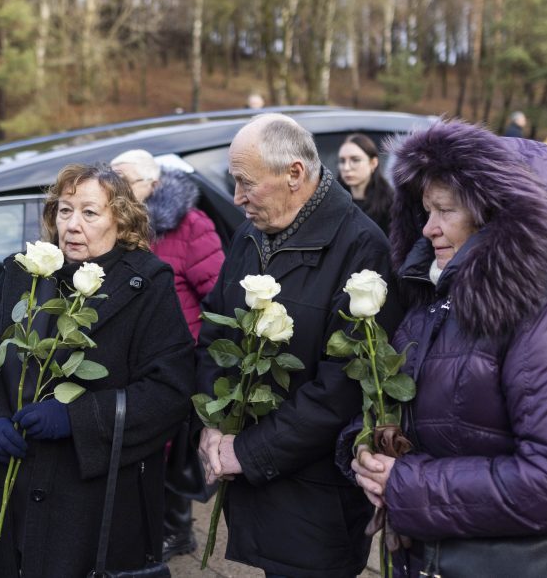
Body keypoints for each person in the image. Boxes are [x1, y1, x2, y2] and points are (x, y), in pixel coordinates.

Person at [340, 120, 547, 577]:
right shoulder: (430, 296)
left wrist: (407, 484)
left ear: (495, 214)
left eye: (445, 210)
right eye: (425, 210)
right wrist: (363, 450)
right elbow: (405, 402)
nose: (428, 228)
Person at [0, 165, 195, 577]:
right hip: (5, 487)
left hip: (88, 504)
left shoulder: (147, 285)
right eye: (64, 210)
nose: (72, 225)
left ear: (121, 219)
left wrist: (77, 420)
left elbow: (170, 391)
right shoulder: (24, 274)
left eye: (89, 213)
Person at [196, 113, 404, 577]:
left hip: (317, 495)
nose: (236, 198)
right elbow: (216, 333)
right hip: (256, 478)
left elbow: (341, 389)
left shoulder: (362, 248)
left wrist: (247, 453)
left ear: (295, 173)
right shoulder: (250, 233)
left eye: (246, 183)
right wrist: (211, 423)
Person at [110, 149, 225, 560]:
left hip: (178, 360)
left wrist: (202, 359)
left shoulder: (190, 226)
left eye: (126, 180)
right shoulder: (113, 227)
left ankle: (177, 532)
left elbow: (219, 296)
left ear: (153, 185)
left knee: (172, 452)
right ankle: (145, 525)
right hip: (130, 360)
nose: (116, 187)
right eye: (113, 178)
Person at [337, 133, 396, 235]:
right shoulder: (333, 201)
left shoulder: (391, 203)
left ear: (373, 163)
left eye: (355, 160)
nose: (346, 168)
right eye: (342, 161)